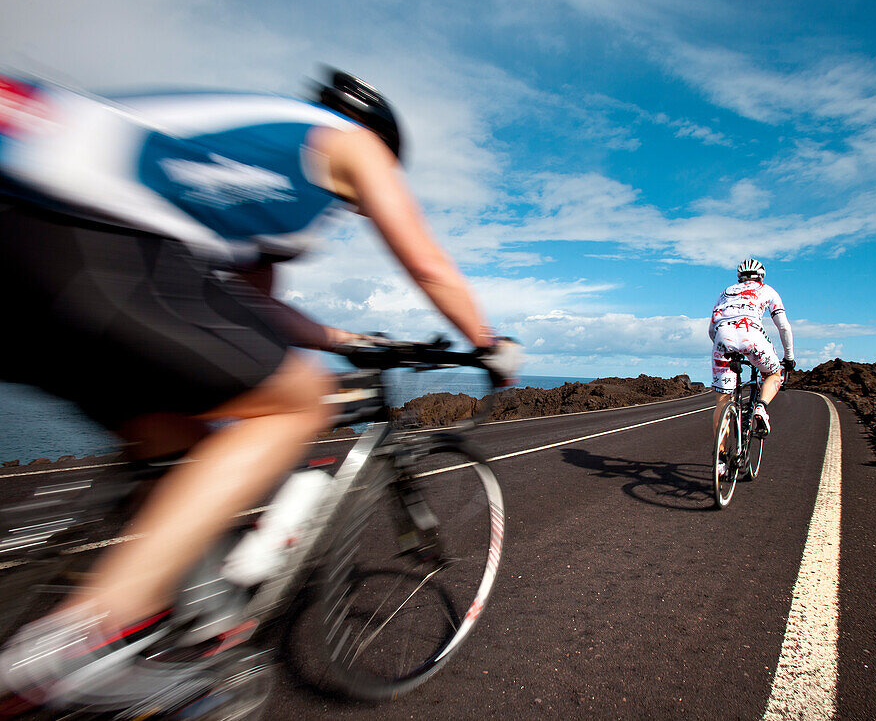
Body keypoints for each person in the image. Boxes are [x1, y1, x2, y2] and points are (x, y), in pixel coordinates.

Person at [0, 69, 520, 710]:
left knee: (185, 449)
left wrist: (344, 339)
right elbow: (427, 264)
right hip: (88, 237)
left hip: (23, 251)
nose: (354, 208)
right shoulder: (352, 144)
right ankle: (83, 642)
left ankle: (160, 624)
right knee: (298, 405)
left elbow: (253, 310)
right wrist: (488, 342)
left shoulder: (256, 165)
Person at [709, 258, 794, 458]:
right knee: (773, 374)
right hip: (752, 336)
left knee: (722, 401)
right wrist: (789, 357)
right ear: (761, 276)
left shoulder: (725, 293)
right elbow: (783, 327)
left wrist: (728, 348)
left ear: (739, 277)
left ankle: (720, 460)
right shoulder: (768, 291)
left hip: (723, 338)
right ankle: (761, 407)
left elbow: (712, 328)